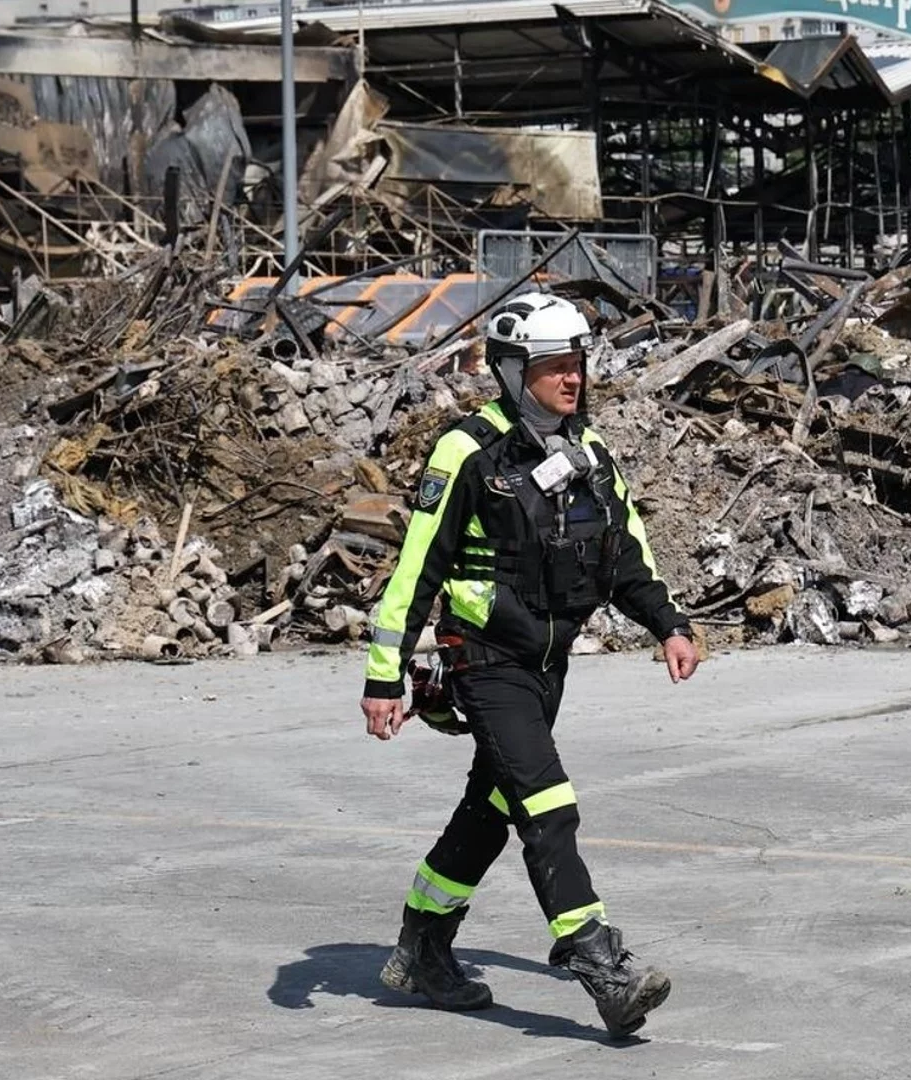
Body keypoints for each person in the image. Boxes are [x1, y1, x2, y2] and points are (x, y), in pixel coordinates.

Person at [359, 292, 701, 1038]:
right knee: (546, 803)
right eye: (552, 366)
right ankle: (602, 966)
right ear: (513, 372)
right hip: (483, 660)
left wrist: (668, 624)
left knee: (491, 812)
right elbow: (418, 568)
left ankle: (421, 946)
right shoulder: (468, 451)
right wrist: (385, 676)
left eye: (576, 362)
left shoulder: (591, 452)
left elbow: (627, 556)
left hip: (549, 665)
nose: (571, 378)